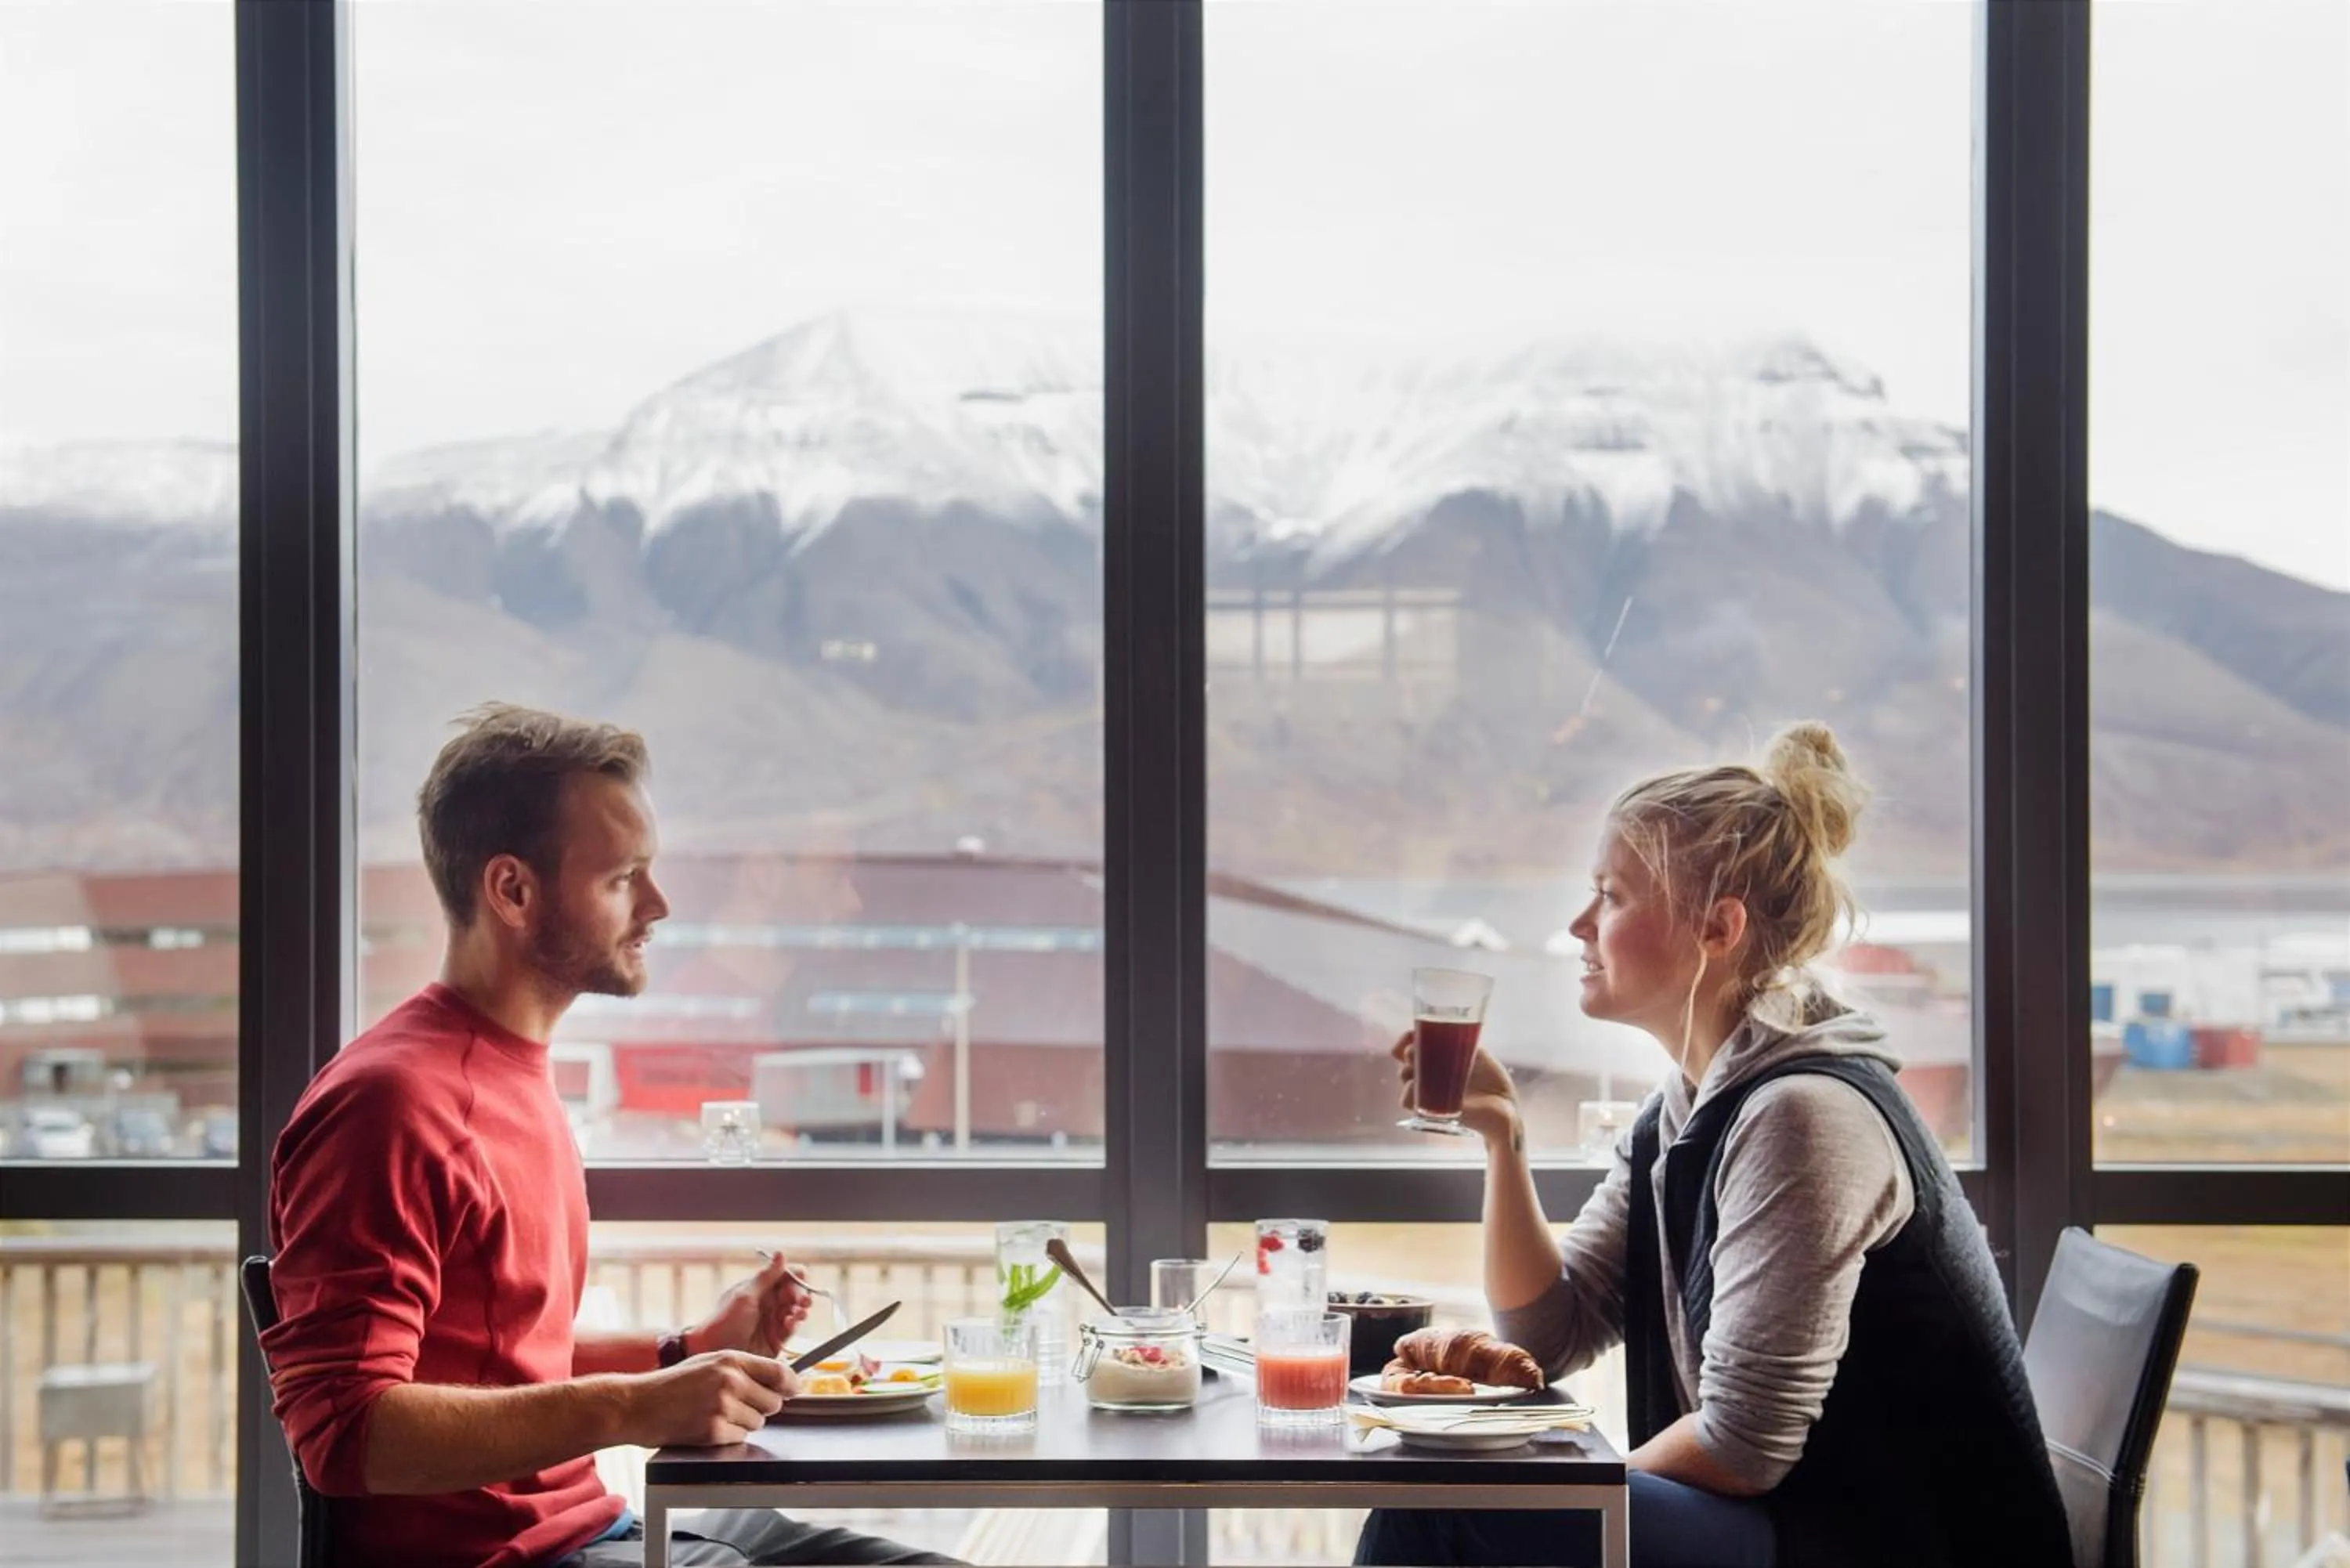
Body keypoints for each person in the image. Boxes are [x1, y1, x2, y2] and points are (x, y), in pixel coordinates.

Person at [1355, 724, 2070, 1568]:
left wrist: (1563, 1494)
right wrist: (1504, 1143)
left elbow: (1742, 1444)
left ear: (1718, 929)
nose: (1580, 924)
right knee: (1452, 1501)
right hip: (1798, 1524)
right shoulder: (1689, 1108)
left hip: (1885, 1541)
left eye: (1613, 896)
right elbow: (1551, 1332)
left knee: (1436, 1513)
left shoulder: (1802, 1118)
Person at [262, 703, 956, 1568]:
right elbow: (347, 1431)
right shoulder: (390, 1104)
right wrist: (632, 1405)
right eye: (624, 877)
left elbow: (498, 1358)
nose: (658, 904)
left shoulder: (513, 1070)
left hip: (589, 1526)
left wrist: (686, 1354)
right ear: (512, 890)